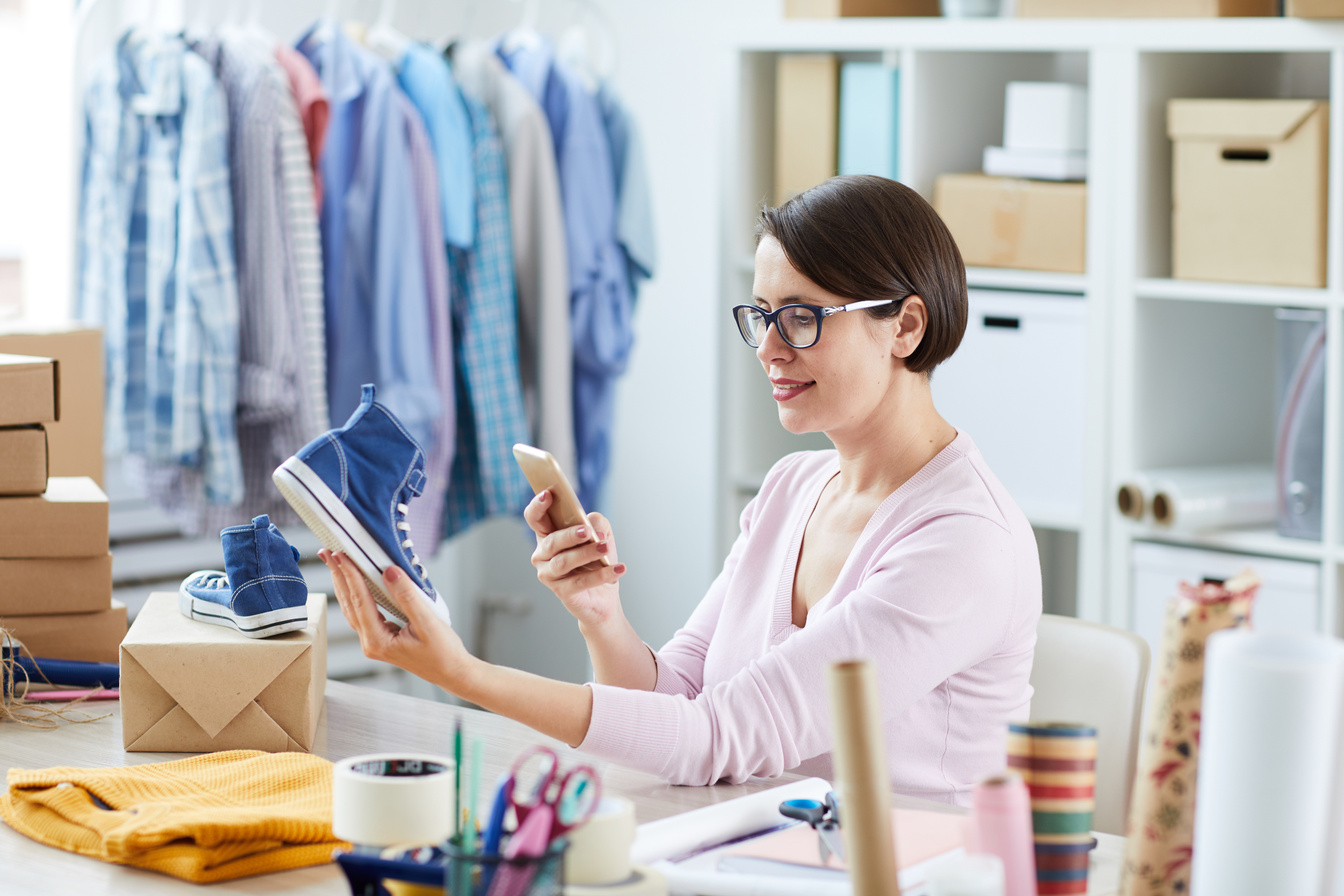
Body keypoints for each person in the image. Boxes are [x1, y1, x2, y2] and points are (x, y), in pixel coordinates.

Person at [320, 174, 1042, 807]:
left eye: (801, 317)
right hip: (767, 855)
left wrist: (467, 676)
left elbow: (717, 738)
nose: (768, 347)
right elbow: (682, 701)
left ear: (905, 327)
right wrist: (601, 617)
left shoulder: (964, 539)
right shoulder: (794, 487)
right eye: (761, 315)